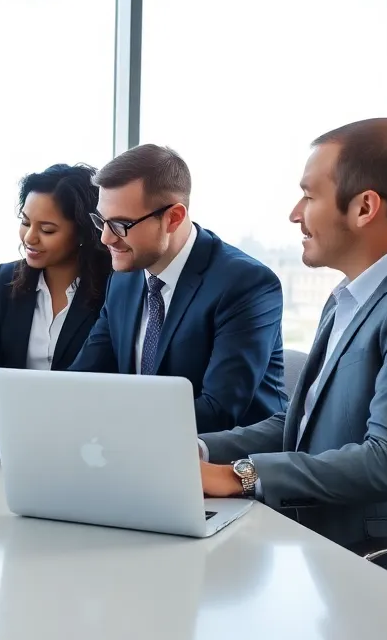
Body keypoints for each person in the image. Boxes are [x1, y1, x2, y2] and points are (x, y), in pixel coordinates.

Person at [199, 118, 387, 602]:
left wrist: (238, 476)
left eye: (309, 195)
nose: (295, 214)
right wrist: (197, 451)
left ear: (364, 207)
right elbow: (300, 425)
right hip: (314, 539)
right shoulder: (351, 295)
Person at [69, 144, 287, 432]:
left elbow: (218, 411)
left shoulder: (245, 284)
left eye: (121, 224)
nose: (106, 238)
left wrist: (116, 426)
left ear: (173, 218)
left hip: (226, 453)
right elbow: (83, 378)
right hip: (139, 446)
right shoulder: (124, 279)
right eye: (101, 221)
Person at [0, 164, 112, 371]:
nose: (29, 238)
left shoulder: (112, 288)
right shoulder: (5, 280)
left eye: (47, 230)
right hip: (11, 394)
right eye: (26, 223)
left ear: (83, 233)